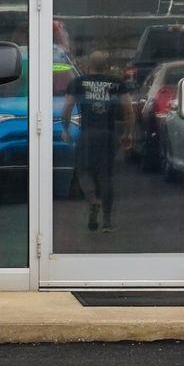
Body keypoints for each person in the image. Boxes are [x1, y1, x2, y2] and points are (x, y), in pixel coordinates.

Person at [60, 50, 135, 233]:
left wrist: (65, 129)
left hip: (87, 134)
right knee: (106, 177)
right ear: (107, 67)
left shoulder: (77, 83)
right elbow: (128, 110)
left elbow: (67, 107)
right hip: (108, 135)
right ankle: (107, 222)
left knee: (83, 171)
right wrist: (129, 133)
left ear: (88, 66)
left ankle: (93, 201)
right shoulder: (117, 84)